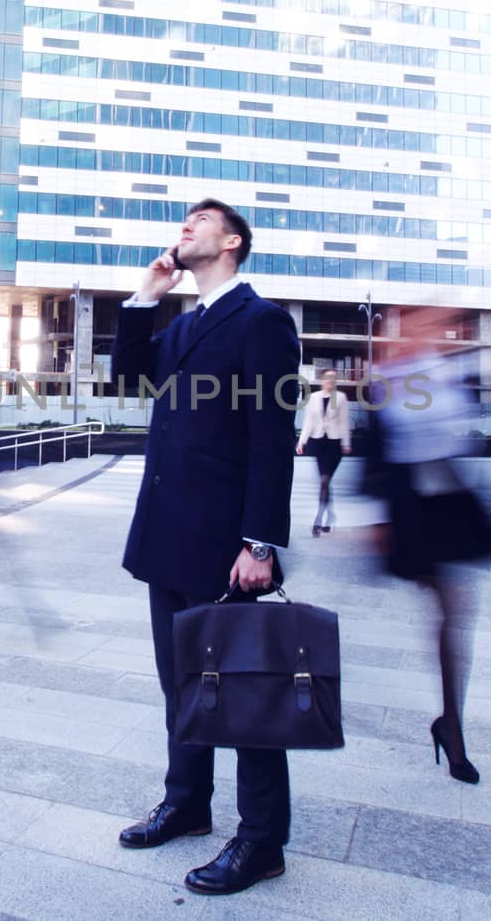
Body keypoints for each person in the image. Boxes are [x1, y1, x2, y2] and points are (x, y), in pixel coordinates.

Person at [112, 197, 300, 896]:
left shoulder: (262, 321)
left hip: (226, 544)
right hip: (168, 533)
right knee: (180, 682)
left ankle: (261, 840)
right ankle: (188, 802)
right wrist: (145, 296)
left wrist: (260, 541)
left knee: (245, 692)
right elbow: (129, 377)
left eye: (200, 220)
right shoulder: (186, 323)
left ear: (233, 241)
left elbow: (271, 437)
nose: (184, 225)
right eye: (183, 219)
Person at [362, 308, 491, 785]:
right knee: (447, 612)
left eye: (436, 326)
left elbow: (465, 430)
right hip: (411, 511)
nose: (428, 333)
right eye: (420, 324)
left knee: (454, 615)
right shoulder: (385, 379)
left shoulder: (445, 374)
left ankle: (452, 726)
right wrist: (376, 516)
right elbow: (375, 447)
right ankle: (450, 725)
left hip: (450, 504)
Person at [297, 369, 352, 536]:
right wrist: (302, 441)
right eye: (328, 378)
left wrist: (346, 443)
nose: (330, 380)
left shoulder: (340, 398)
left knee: (325, 480)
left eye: (333, 378)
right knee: (325, 482)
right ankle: (330, 517)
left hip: (334, 444)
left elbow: (344, 421)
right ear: (322, 380)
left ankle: (318, 519)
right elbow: (308, 422)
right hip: (319, 442)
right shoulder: (313, 398)